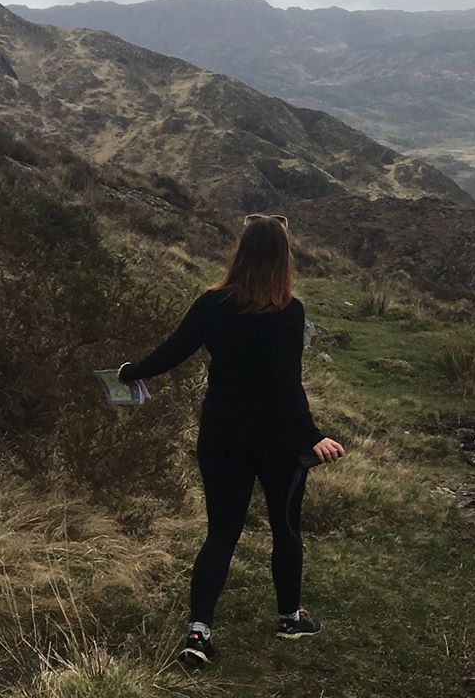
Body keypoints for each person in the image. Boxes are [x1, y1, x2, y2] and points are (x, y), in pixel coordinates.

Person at [119, 213, 346, 667]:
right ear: (284, 258)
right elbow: (287, 384)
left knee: (221, 532)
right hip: (279, 442)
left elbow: (172, 350)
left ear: (239, 252)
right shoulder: (289, 311)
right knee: (285, 528)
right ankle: (289, 618)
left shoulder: (211, 304)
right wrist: (312, 435)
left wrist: (131, 374)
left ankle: (199, 633)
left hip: (222, 436)